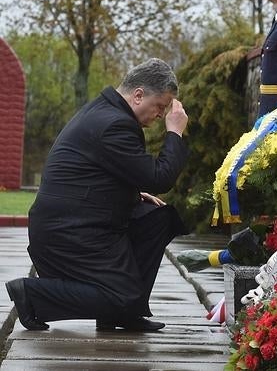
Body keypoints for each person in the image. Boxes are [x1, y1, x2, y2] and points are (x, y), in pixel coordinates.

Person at [5, 58, 189, 333]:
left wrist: (133, 194)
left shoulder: (106, 112)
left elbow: (94, 174)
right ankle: (33, 294)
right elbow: (159, 178)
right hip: (67, 237)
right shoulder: (114, 123)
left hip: (79, 226)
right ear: (138, 95)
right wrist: (174, 132)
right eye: (160, 106)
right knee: (123, 298)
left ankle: (123, 313)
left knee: (156, 218)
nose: (161, 115)